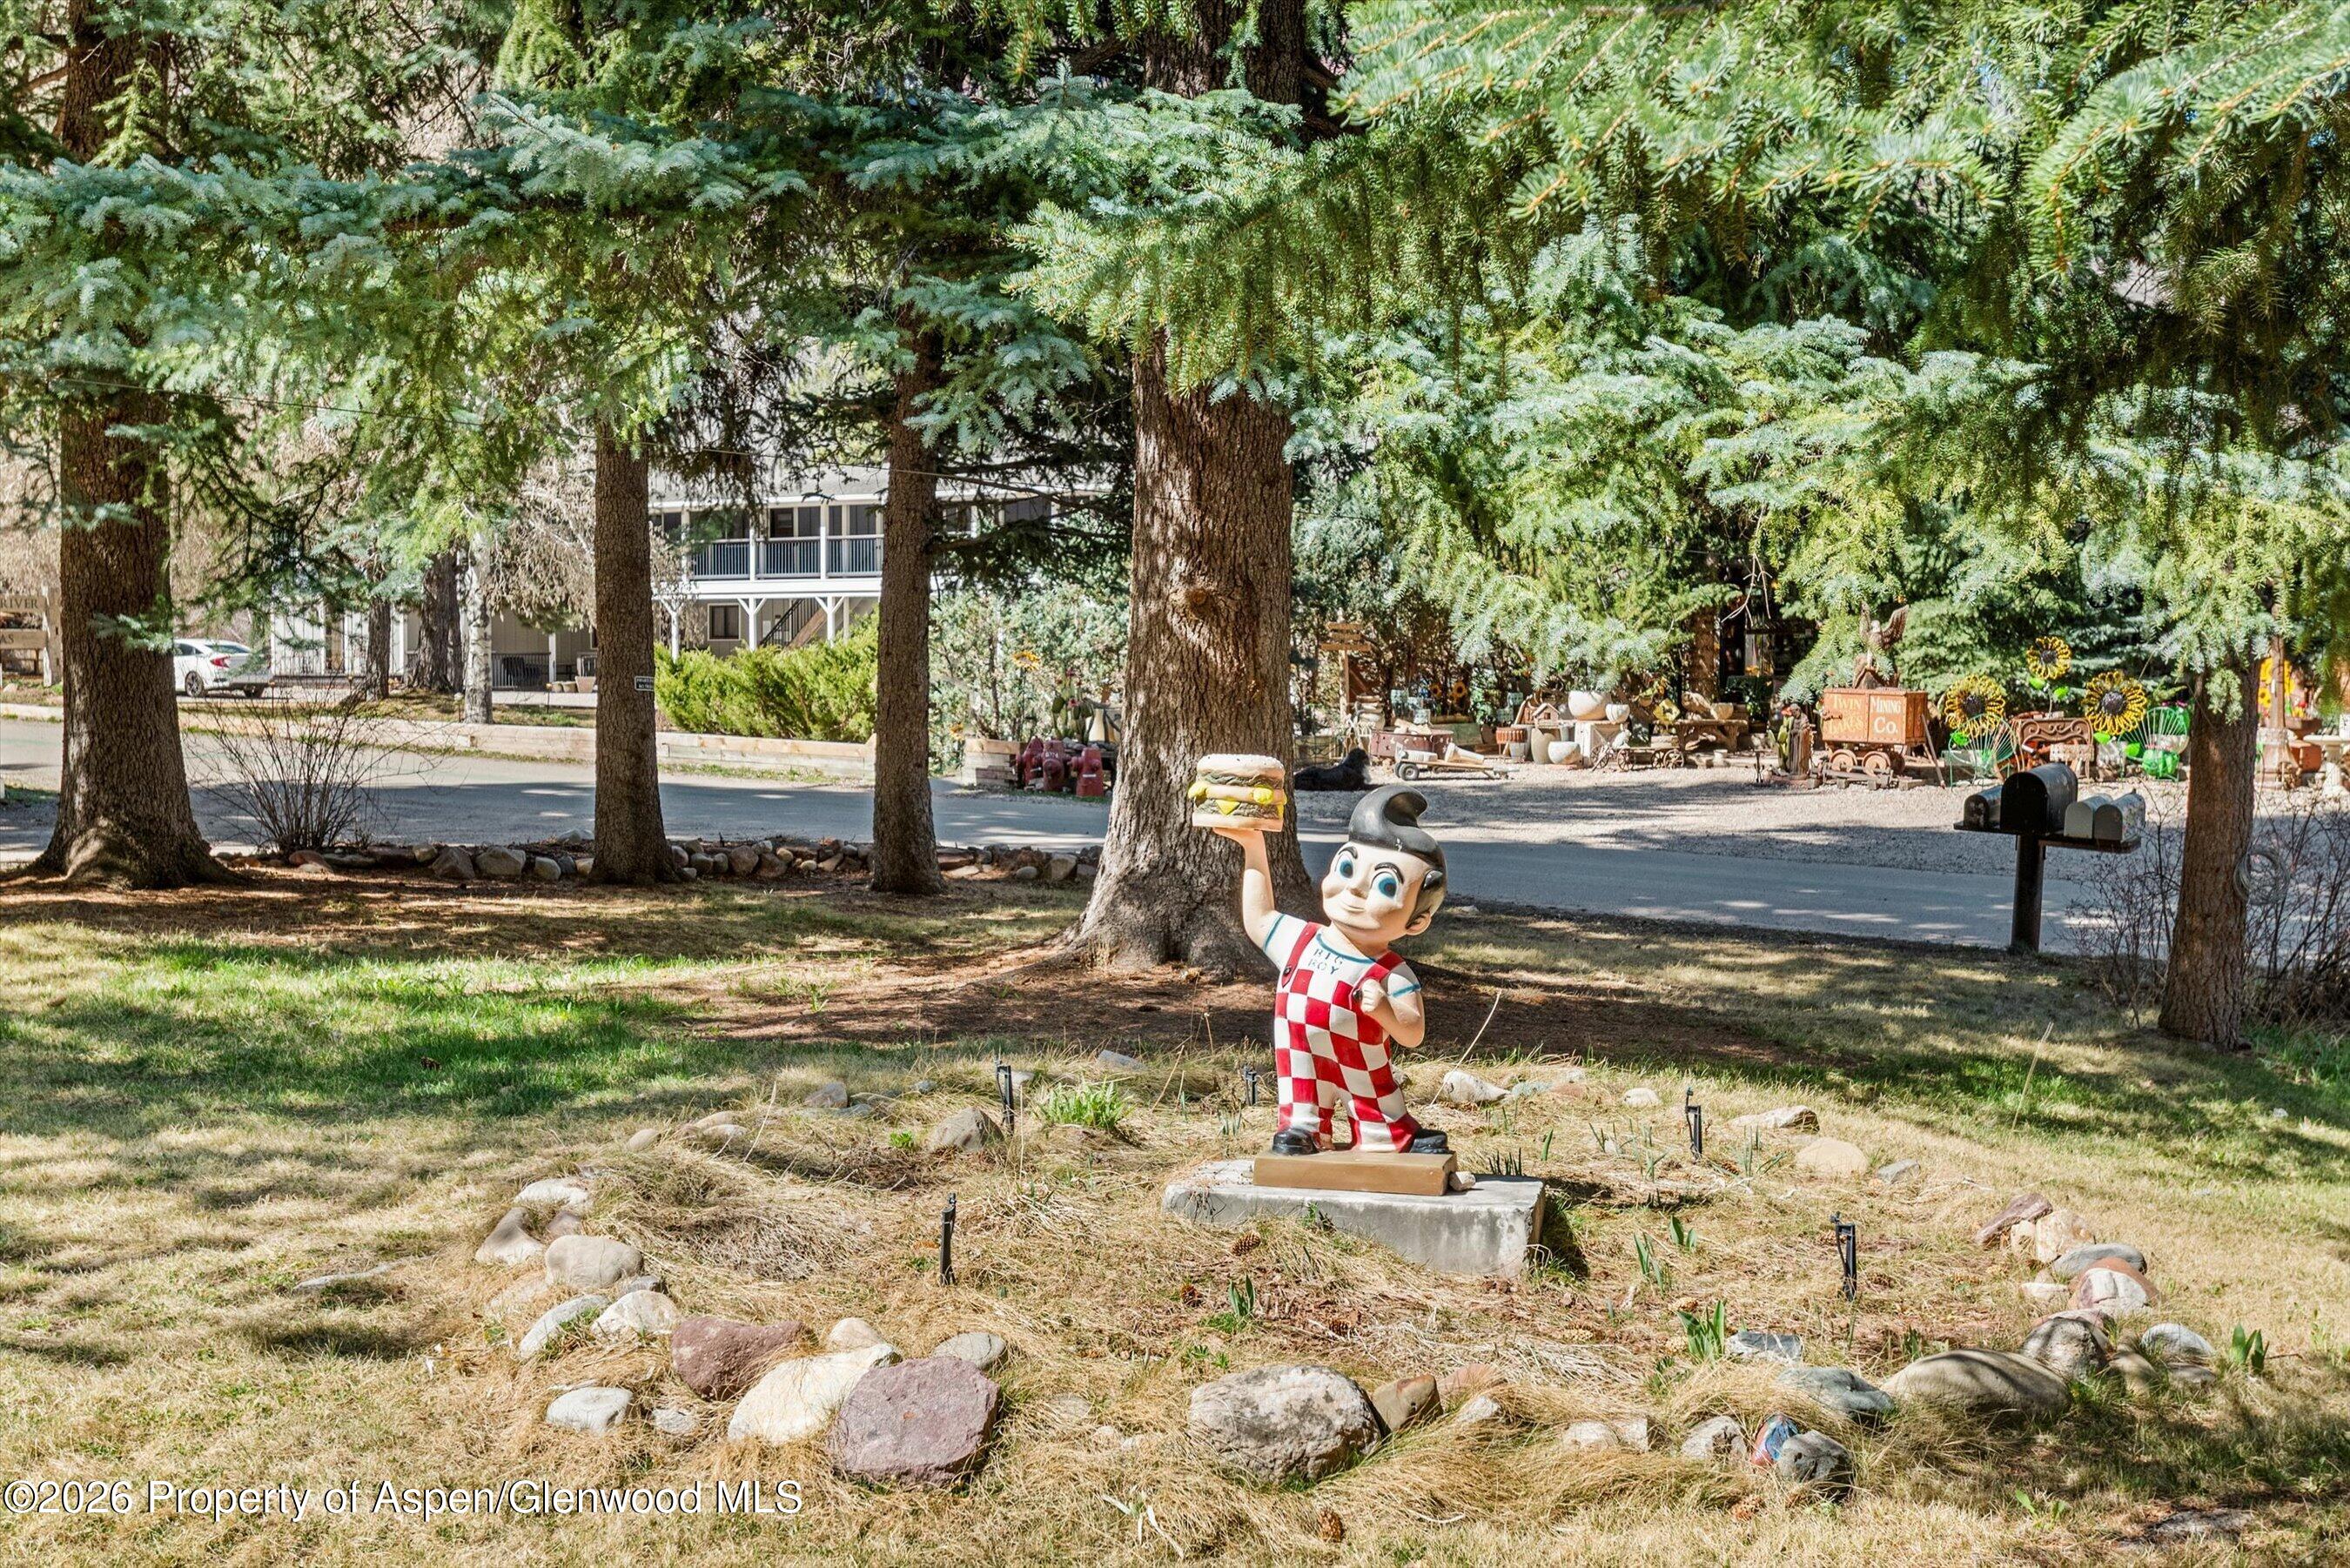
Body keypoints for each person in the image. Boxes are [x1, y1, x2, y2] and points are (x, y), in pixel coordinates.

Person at [1212, 785, 1451, 1156]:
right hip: (1301, 1053)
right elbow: (1258, 919)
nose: (1354, 888)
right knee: (1301, 1090)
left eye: (1384, 884)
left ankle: (1387, 1135)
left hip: (1362, 1060)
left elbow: (1413, 1033)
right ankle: (1302, 1129)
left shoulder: (1392, 972)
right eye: (1347, 867)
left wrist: (1385, 1009)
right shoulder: (1301, 939)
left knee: (1374, 1093)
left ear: (1417, 922)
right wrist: (1253, 847)